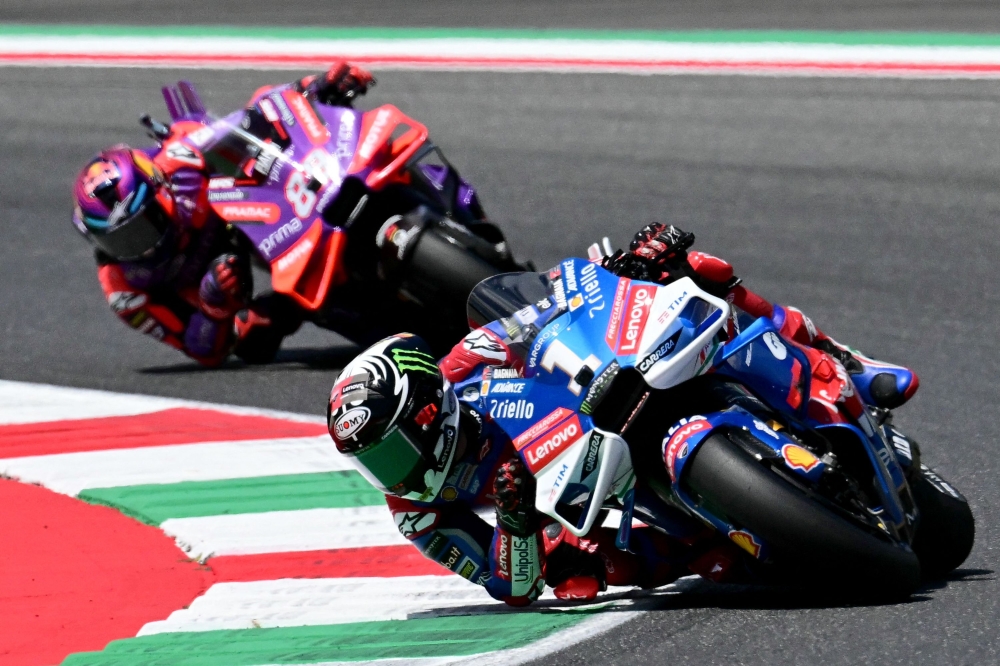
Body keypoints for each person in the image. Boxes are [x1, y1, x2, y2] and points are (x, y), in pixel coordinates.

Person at [325, 224, 920, 605]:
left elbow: (544, 307)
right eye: (374, 462)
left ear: (430, 411)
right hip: (578, 492)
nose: (392, 474)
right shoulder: (416, 513)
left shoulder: (464, 364)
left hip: (596, 397)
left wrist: (624, 268)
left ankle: (842, 359)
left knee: (699, 274)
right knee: (603, 570)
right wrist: (515, 521)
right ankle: (732, 531)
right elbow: (510, 585)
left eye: (393, 450)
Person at [71, 63, 375, 366]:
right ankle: (328, 308)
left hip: (257, 213)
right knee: (251, 335)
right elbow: (199, 350)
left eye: (142, 227)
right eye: (118, 241)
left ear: (161, 192)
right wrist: (213, 307)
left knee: (279, 150)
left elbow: (256, 114)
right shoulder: (124, 291)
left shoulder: (180, 158)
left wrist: (317, 86)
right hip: (221, 281)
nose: (140, 248)